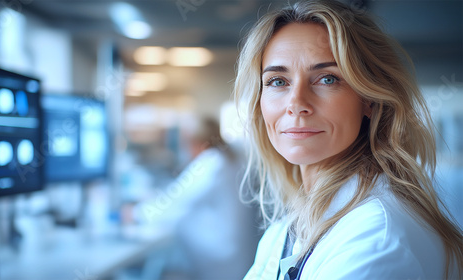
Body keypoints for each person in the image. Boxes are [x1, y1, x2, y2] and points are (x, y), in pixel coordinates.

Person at [233, 1, 463, 279]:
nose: (296, 104)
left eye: (327, 79)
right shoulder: (286, 229)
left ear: (369, 98)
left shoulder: (378, 238)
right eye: (278, 81)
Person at [133, 117, 259, 280]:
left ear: (197, 141)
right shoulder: (230, 157)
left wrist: (136, 213)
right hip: (236, 254)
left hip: (219, 260)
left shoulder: (211, 163)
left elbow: (173, 203)